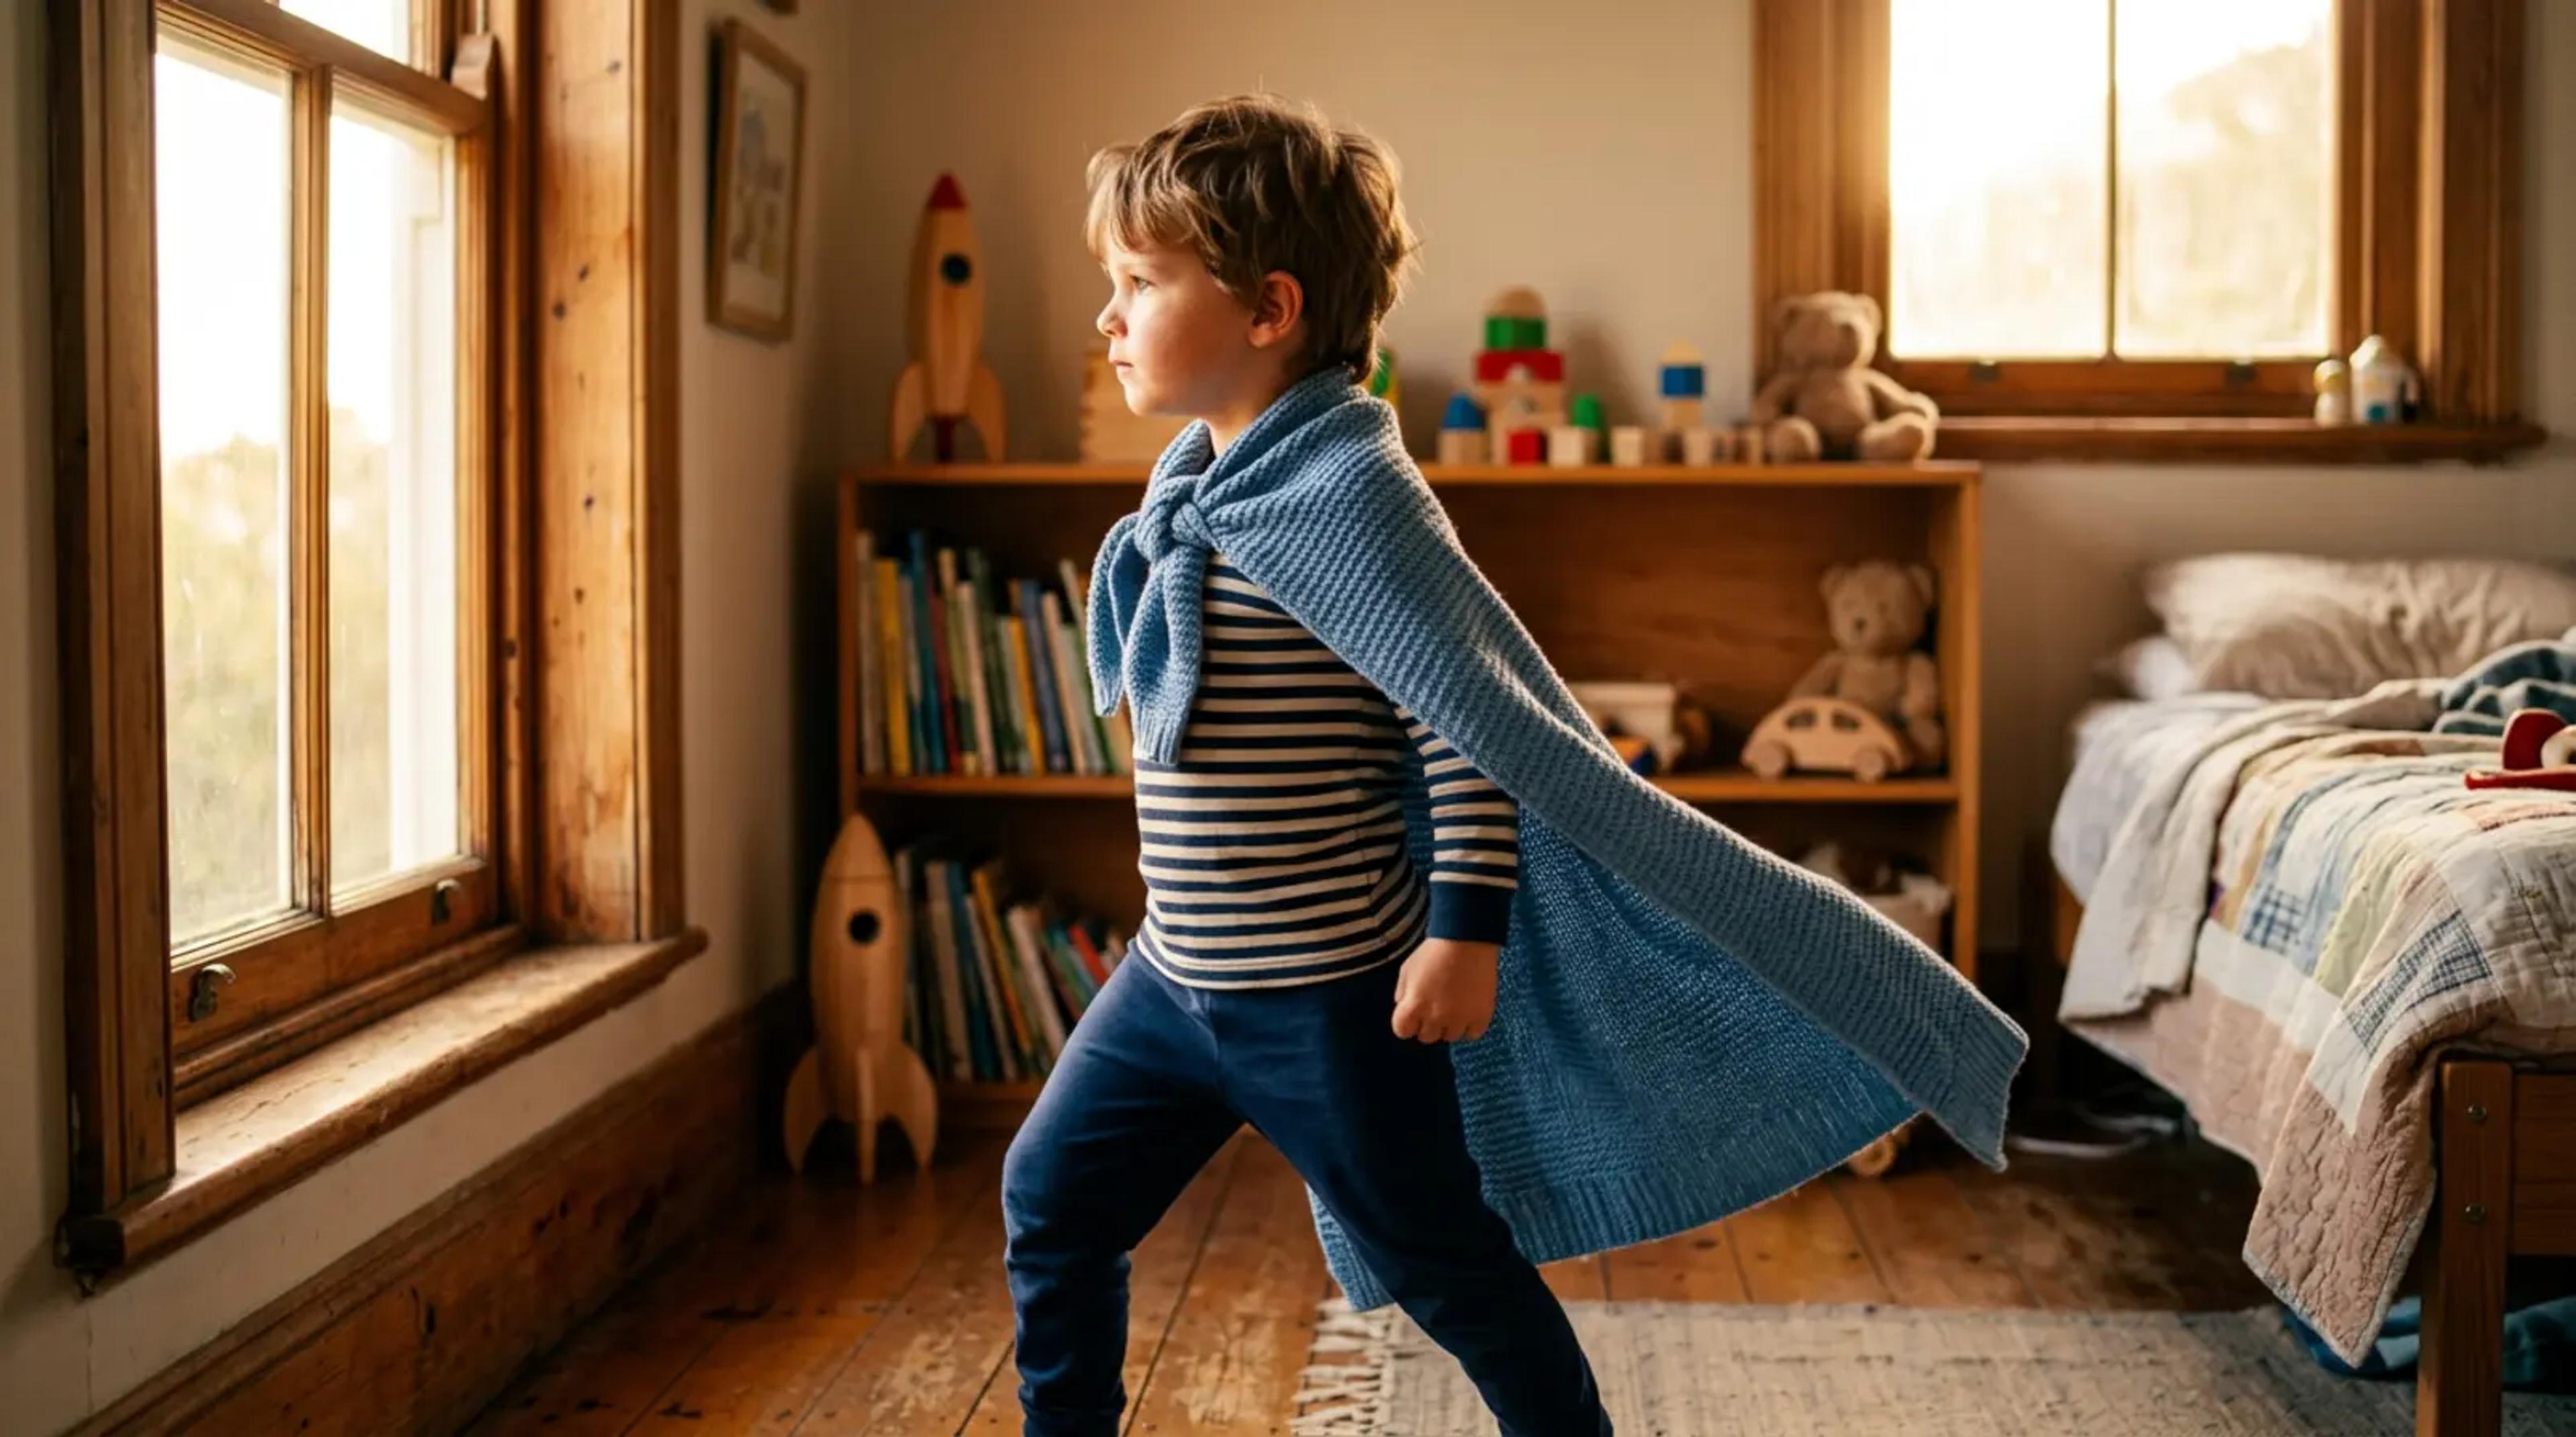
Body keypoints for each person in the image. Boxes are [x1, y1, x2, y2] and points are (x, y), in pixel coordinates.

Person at [1000, 94, 1616, 1437]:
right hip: (1173, 979)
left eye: (1141, 283)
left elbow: (1464, 725)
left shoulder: (1354, 500)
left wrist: (1463, 936)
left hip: (1327, 1000)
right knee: (1050, 1202)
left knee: (1447, 1267)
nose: (1107, 316)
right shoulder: (1194, 486)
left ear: (1269, 309)